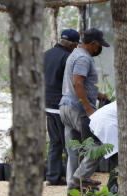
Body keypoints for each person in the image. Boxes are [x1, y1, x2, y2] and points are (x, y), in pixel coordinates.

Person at [59, 28, 110, 193]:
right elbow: (78, 83)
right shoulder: (83, 58)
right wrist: (88, 109)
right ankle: (79, 179)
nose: (99, 49)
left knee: (73, 149)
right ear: (93, 43)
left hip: (65, 106)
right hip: (78, 108)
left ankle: (72, 188)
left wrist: (99, 95)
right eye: (99, 45)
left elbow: (79, 83)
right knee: (98, 144)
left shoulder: (74, 54)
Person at [43, 29, 80, 186]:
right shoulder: (68, 58)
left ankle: (53, 177)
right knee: (69, 144)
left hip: (47, 105)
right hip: (61, 106)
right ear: (72, 44)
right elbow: (74, 82)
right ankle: (72, 178)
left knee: (54, 142)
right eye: (76, 45)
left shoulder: (46, 54)